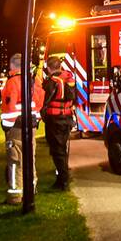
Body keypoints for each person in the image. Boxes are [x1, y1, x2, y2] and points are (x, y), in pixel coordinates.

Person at [0, 53, 44, 204]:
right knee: (30, 158)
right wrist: (36, 121)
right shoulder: (33, 81)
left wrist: (6, 126)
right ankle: (32, 188)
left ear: (12, 66)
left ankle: (15, 196)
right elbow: (38, 103)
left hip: (16, 127)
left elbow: (9, 108)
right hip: (31, 125)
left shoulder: (12, 82)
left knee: (15, 160)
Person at [41, 56, 76, 190]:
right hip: (66, 118)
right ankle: (62, 178)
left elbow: (46, 101)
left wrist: (43, 114)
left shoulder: (52, 82)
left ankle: (63, 181)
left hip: (55, 120)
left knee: (57, 150)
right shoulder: (68, 78)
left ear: (49, 68)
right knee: (62, 149)